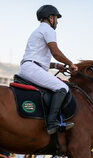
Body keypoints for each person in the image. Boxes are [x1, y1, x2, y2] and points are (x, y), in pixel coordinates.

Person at [18, 5, 78, 135]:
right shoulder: (49, 30)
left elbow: (40, 59)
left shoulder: (37, 31)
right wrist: (70, 63)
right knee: (62, 88)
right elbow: (56, 52)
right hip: (32, 69)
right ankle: (51, 124)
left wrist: (57, 66)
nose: (57, 22)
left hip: (29, 67)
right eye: (57, 18)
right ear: (51, 18)